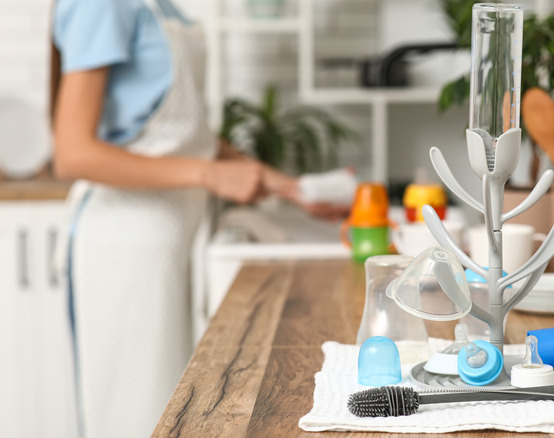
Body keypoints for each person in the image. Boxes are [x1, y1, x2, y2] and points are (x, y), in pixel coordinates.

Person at [50, 0, 350, 436]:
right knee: (134, 416)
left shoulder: (160, 7)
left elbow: (191, 137)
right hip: (122, 250)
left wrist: (293, 190)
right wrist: (209, 175)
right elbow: (72, 152)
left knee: (174, 408)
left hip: (171, 244)